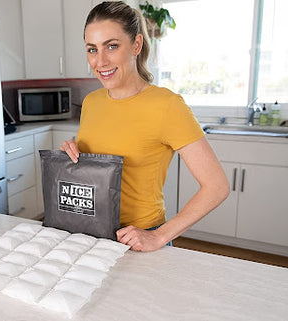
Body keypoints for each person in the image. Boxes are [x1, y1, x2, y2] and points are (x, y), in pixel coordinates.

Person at [60, 1, 230, 252]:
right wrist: (73, 153)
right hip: (89, 232)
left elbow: (217, 187)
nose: (100, 61)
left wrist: (159, 236)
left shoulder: (167, 105)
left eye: (112, 46)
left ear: (136, 45)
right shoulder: (92, 102)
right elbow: (98, 167)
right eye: (92, 49)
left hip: (139, 239)